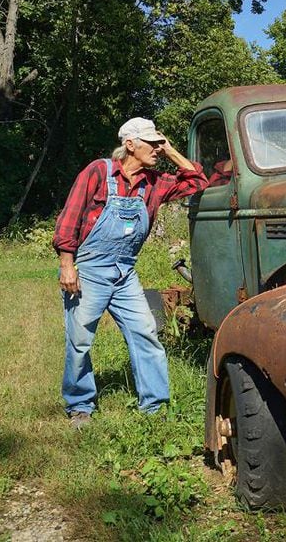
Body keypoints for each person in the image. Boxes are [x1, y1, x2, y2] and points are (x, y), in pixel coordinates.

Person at [53, 117, 209, 429]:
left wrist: (171, 151)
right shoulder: (99, 171)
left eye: (158, 143)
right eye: (151, 143)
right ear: (130, 145)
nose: (157, 148)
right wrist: (67, 265)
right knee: (80, 340)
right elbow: (70, 217)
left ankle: (155, 406)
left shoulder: (155, 182)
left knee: (145, 333)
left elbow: (197, 181)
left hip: (125, 272)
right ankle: (80, 406)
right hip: (91, 270)